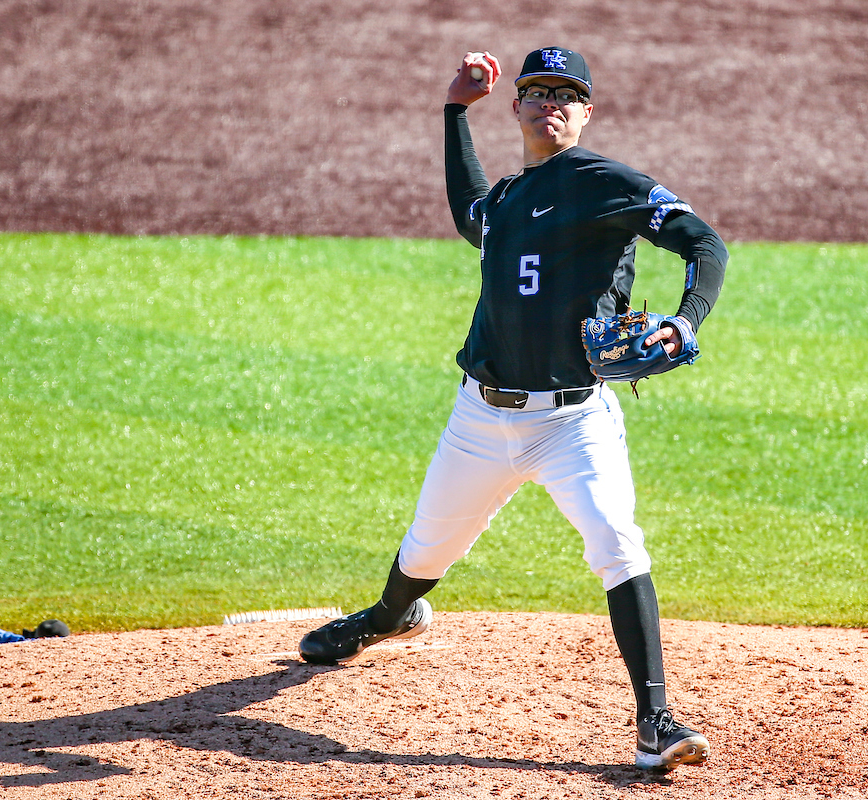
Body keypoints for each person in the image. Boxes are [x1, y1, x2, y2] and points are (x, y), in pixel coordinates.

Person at [301, 46, 728, 772]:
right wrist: (452, 112)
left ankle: (654, 721)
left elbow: (704, 245)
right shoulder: (505, 200)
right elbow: (471, 213)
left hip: (572, 422)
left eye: (567, 93)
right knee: (427, 549)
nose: (550, 102)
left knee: (616, 542)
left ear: (587, 111)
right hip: (480, 418)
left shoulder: (606, 183)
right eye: (537, 91)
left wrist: (685, 322)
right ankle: (387, 618)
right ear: (518, 107)